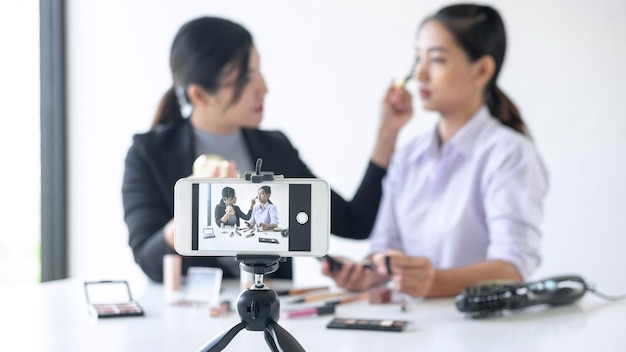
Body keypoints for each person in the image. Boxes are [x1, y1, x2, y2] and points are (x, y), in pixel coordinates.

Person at [122, 16, 398, 282]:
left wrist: (387, 134)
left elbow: (355, 223)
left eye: (258, 71)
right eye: (244, 77)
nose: (263, 87)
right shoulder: (149, 154)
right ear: (199, 95)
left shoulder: (274, 147)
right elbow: (148, 261)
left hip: (268, 314)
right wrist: (190, 213)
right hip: (189, 318)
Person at [323, 4, 549, 298]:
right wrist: (367, 274)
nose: (419, 73)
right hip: (413, 330)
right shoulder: (407, 155)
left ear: (481, 70)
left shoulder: (509, 153)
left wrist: (434, 282)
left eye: (437, 60)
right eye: (418, 58)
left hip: (484, 334)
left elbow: (512, 268)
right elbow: (384, 249)